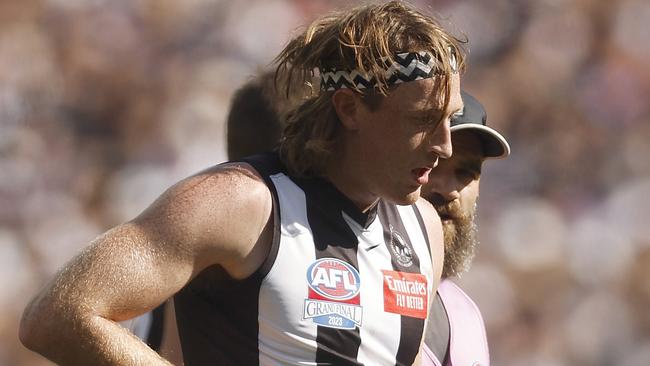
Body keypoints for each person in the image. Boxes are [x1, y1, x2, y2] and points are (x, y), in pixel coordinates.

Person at [19, 2, 466, 365]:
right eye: (422, 120)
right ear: (349, 109)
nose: (445, 146)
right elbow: (60, 313)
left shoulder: (422, 227)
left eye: (449, 120)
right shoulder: (244, 202)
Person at [421, 91, 511, 366]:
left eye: (466, 173)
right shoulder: (353, 281)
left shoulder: (465, 314)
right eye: (433, 165)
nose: (449, 191)